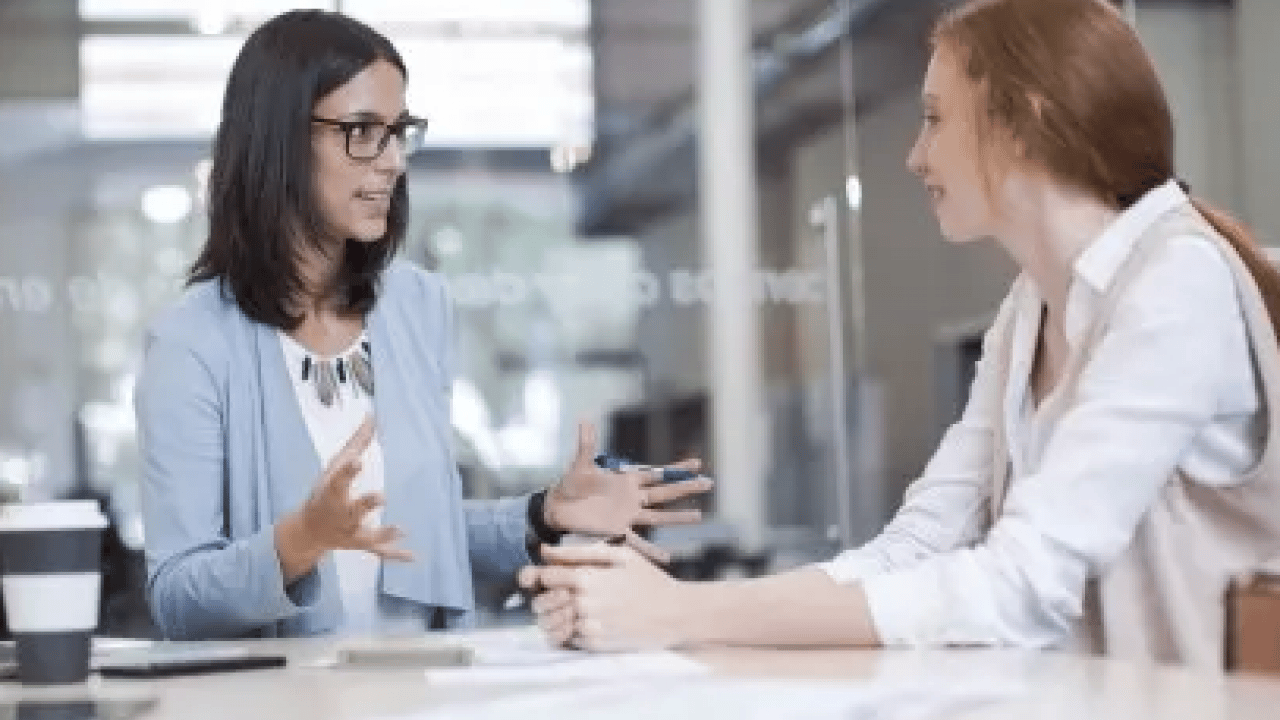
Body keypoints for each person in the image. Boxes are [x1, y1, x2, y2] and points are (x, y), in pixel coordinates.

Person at [520, 0, 1280, 669]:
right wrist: (655, 604)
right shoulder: (1029, 308)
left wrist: (680, 614)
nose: (916, 156)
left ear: (1025, 122)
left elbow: (1020, 585)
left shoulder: (1181, 282)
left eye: (937, 117)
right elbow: (914, 549)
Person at [134, 9, 710, 641]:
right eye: (362, 132)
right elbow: (174, 597)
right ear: (278, 140)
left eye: (399, 131)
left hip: (422, 688)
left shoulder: (415, 305)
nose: (392, 162)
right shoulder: (192, 342)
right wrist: (297, 543)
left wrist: (544, 515)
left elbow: (421, 534)